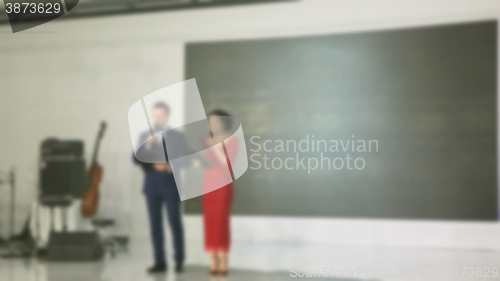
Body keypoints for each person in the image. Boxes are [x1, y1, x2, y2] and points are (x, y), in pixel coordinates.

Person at [133, 102, 186, 274]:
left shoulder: (177, 136)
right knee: (155, 226)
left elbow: (185, 158)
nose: (158, 118)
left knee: (174, 223)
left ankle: (179, 260)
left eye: (161, 115)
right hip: (151, 186)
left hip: (171, 184)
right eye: (155, 115)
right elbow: (135, 160)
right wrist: (147, 146)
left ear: (167, 116)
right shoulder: (144, 135)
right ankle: (159, 261)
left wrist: (168, 165)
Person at [201, 109, 237, 276]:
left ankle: (223, 259)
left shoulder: (232, 140)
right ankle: (212, 259)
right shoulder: (207, 140)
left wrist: (215, 146)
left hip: (223, 184)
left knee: (221, 222)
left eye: (216, 121)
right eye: (210, 122)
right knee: (210, 222)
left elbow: (226, 162)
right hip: (208, 184)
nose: (213, 125)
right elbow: (207, 162)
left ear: (223, 122)